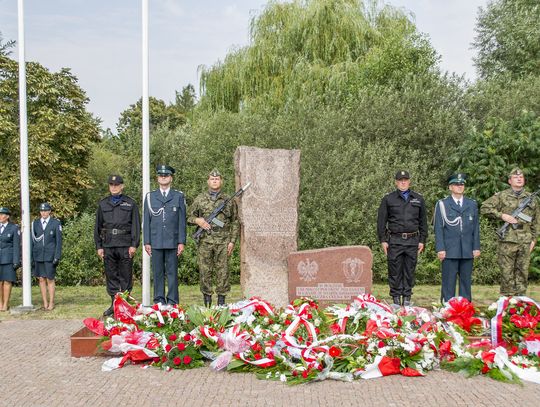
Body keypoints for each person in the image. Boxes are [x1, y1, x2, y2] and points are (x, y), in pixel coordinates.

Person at [481, 168, 539, 296]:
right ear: (509, 181)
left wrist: (533, 240)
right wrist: (502, 216)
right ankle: (507, 303)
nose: (519, 179)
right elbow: (485, 208)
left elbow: (536, 222)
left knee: (523, 272)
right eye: (515, 177)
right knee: (507, 272)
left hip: (525, 240)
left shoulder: (531, 198)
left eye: (521, 177)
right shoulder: (502, 196)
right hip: (508, 239)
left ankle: (521, 303)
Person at [188, 169, 239, 307]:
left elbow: (235, 221)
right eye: (212, 179)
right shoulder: (200, 199)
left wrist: (232, 241)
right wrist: (198, 221)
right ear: (208, 181)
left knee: (223, 272)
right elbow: (189, 217)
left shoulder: (228, 200)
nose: (214, 181)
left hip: (223, 242)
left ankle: (221, 304)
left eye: (217, 179)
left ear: (221, 181)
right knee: (205, 272)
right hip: (205, 241)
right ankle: (208, 305)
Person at [377, 170, 428, 306]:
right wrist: (383, 240)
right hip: (394, 240)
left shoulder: (418, 198)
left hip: (412, 240)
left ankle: (407, 298)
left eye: (405, 180)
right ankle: (395, 298)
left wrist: (422, 240)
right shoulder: (388, 199)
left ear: (409, 181)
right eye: (400, 180)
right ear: (396, 182)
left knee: (409, 270)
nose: (403, 182)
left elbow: (423, 221)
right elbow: (381, 221)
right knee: (394, 270)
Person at [94, 175, 141, 316]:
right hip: (108, 244)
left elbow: (136, 226)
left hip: (125, 244)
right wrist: (99, 246)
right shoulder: (103, 204)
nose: (113, 187)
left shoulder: (130, 203)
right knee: (111, 275)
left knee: (125, 276)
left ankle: (125, 305)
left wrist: (134, 244)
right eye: (111, 185)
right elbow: (97, 227)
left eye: (116, 184)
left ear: (122, 186)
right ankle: (114, 305)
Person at [143, 165, 186, 305]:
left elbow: (181, 221)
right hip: (155, 241)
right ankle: (159, 301)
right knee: (158, 273)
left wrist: (181, 241)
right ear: (157, 178)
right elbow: (146, 221)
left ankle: (173, 301)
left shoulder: (178, 196)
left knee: (172, 273)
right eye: (161, 175)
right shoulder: (150, 197)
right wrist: (146, 242)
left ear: (171, 178)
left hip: (172, 241)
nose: (163, 177)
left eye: (166, 175)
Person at [434, 174, 481, 302]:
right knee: (448, 282)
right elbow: (438, 228)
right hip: (449, 250)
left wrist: (476, 247)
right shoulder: (443, 204)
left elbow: (475, 227)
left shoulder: (471, 204)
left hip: (467, 249)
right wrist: (440, 248)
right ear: (450, 187)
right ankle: (446, 310)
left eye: (462, 184)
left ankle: (465, 309)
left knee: (466, 282)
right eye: (456, 184)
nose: (460, 187)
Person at [31, 202, 62, 310]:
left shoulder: (55, 223)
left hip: (50, 255)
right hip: (38, 255)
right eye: (42, 211)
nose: (43, 212)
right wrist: (31, 257)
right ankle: (45, 302)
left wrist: (57, 256)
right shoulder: (35, 223)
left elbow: (59, 241)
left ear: (49, 211)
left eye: (45, 210)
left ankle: (51, 302)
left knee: (50, 279)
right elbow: (32, 240)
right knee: (41, 279)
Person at [0, 207, 20, 312]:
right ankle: (0, 303)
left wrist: (16, 260)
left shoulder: (13, 228)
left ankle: (5, 304)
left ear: (7, 216)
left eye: (2, 214)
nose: (0, 216)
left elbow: (16, 245)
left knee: (7, 282)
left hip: (8, 258)